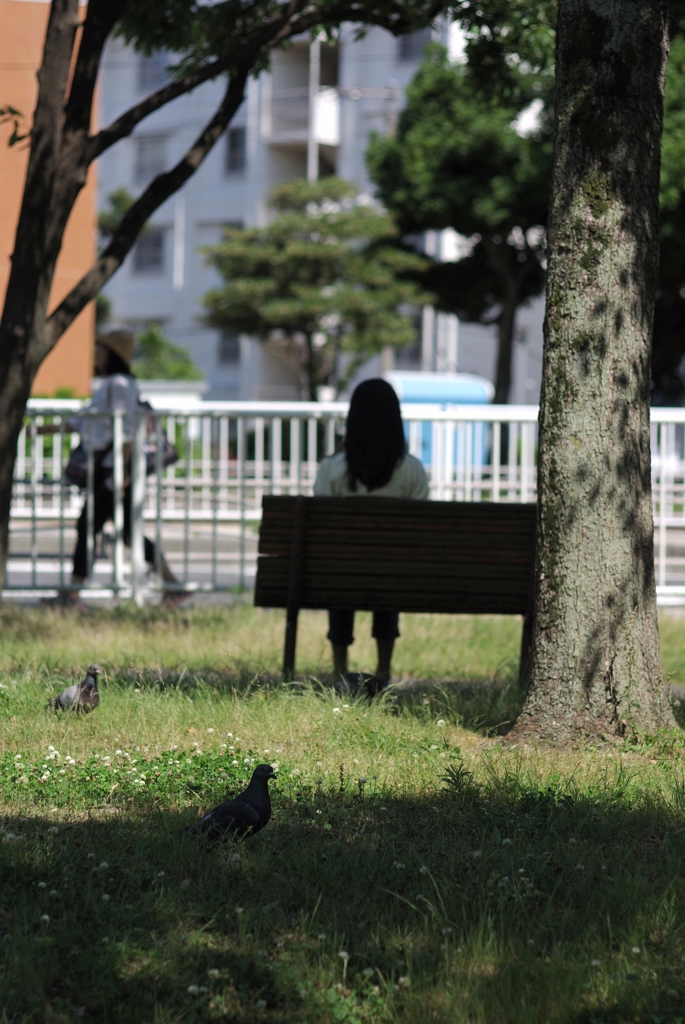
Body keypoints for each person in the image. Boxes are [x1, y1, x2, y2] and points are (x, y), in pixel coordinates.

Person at [40, 331, 184, 607]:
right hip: (113, 470)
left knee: (88, 525)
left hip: (113, 471)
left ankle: (72, 595)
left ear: (112, 353)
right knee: (128, 530)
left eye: (100, 348)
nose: (96, 352)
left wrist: (122, 473)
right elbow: (80, 423)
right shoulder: (111, 384)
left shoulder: (119, 384)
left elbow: (125, 430)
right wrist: (38, 429)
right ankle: (172, 584)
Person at [313, 378, 428, 682]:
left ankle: (339, 670)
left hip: (341, 574)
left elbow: (320, 528)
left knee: (341, 574)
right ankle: (383, 669)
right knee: (387, 574)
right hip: (392, 575)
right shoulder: (412, 470)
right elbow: (420, 531)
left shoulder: (332, 469)